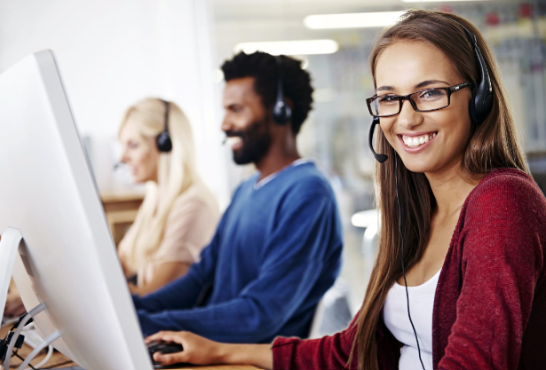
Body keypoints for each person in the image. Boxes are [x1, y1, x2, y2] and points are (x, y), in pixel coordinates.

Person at [143, 10, 546, 370]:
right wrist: (220, 351)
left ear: (478, 98)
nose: (406, 118)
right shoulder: (415, 213)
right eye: (389, 98)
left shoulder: (503, 201)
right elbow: (352, 350)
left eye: (429, 92)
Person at [132, 52, 343, 343]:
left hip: (246, 359)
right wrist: (134, 313)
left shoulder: (307, 193)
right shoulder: (245, 190)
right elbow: (199, 279)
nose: (224, 124)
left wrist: (154, 325)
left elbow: (259, 315)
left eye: (236, 109)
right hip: (213, 352)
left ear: (281, 110)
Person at [117, 98, 219, 296]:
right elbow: (121, 263)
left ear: (166, 144)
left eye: (133, 145)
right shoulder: (155, 197)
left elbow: (156, 295)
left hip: (169, 323)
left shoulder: (194, 204)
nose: (122, 157)